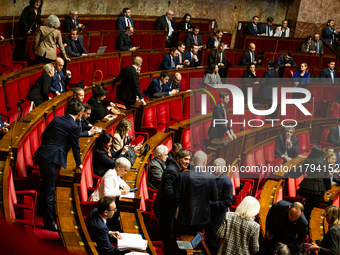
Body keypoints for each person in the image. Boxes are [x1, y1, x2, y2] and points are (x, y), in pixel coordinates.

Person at [35, 102, 84, 231]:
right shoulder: (74, 126)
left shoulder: (57, 119)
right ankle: (49, 222)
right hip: (51, 158)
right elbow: (75, 146)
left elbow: (43, 136)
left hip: (42, 153)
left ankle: (40, 211)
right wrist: (79, 163)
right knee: (50, 189)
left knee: (45, 185)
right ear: (79, 114)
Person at [153, 149, 191, 250]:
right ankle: (162, 251)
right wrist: (182, 199)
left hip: (169, 208)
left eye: (189, 159)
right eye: (185, 159)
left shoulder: (176, 167)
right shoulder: (171, 171)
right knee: (167, 234)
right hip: (165, 209)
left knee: (169, 232)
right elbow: (168, 191)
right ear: (178, 158)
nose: (188, 162)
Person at [177, 151, 218, 235]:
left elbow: (177, 196)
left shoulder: (183, 175)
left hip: (185, 215)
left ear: (193, 161)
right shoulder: (211, 177)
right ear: (204, 162)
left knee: (181, 240)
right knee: (196, 243)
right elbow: (215, 198)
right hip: (202, 218)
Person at [206, 158, 233, 255]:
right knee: (206, 241)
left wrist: (210, 204)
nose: (214, 167)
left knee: (213, 244)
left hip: (216, 219)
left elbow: (227, 202)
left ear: (223, 168)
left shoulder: (226, 182)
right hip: (208, 216)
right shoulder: (212, 177)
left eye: (216, 165)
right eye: (213, 165)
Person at [299, 146, 331, 221]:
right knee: (314, 206)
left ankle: (305, 221)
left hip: (308, 185)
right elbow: (326, 176)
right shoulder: (324, 162)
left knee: (307, 206)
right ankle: (310, 222)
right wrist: (327, 188)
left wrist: (288, 172)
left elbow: (299, 171)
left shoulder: (308, 161)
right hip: (319, 187)